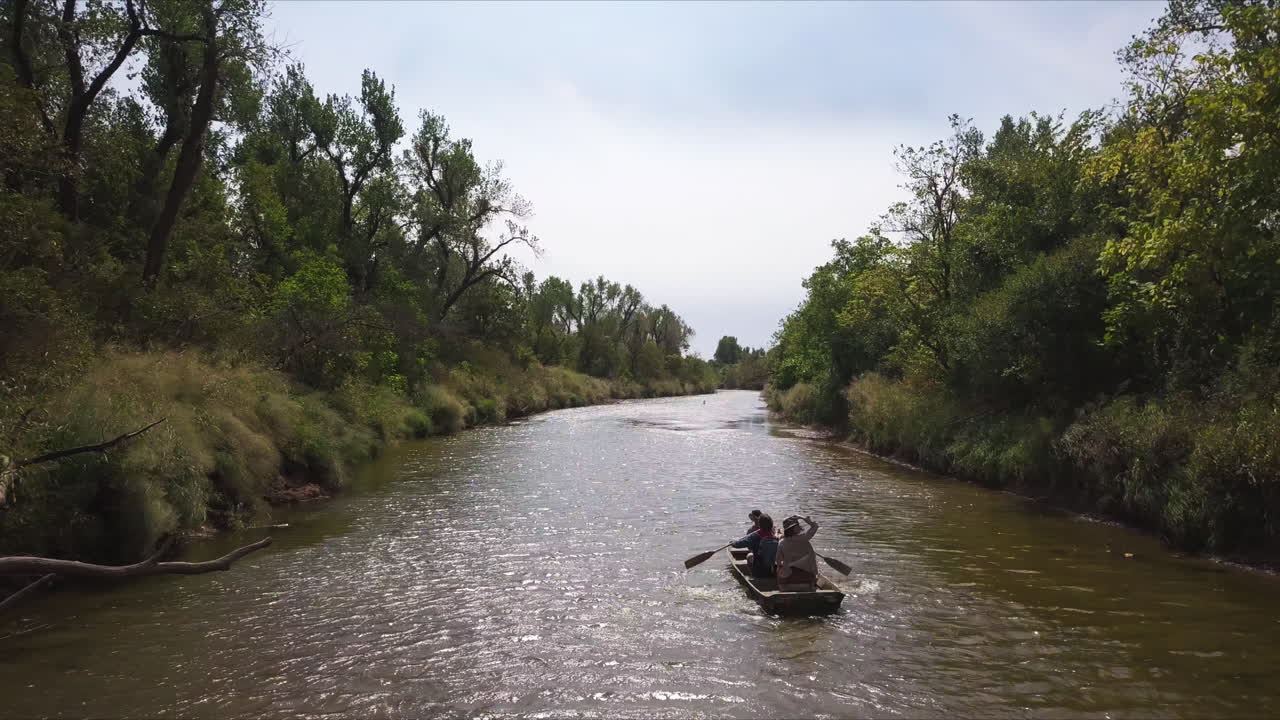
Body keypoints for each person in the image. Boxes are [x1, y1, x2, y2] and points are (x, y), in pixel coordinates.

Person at [776, 515, 819, 591]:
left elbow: (778, 562)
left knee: (780, 569)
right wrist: (805, 519)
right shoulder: (805, 538)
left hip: (789, 578)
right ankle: (813, 583)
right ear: (795, 529)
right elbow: (815, 526)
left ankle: (783, 586)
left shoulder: (781, 543)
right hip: (807, 577)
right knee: (813, 567)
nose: (799, 526)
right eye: (797, 525)